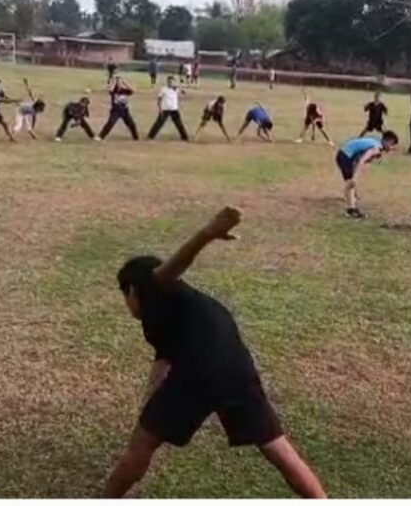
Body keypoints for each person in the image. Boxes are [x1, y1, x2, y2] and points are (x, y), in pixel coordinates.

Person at [102, 207, 327, 499]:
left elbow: (172, 267)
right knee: (278, 449)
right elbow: (163, 361)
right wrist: (149, 406)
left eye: (125, 296)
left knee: (141, 445)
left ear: (132, 290)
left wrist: (206, 234)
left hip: (197, 373)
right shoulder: (179, 309)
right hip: (237, 371)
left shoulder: (156, 288)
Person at [335, 131, 399, 219]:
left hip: (344, 154)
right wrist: (355, 177)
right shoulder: (376, 148)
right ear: (387, 141)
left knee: (350, 183)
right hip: (345, 156)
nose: (392, 148)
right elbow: (361, 161)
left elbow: (358, 157)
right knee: (351, 183)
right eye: (392, 145)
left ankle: (351, 198)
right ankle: (351, 210)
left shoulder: (376, 143)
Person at [147, 76, 190, 141]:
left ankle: (185, 137)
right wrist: (160, 109)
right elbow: (159, 99)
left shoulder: (176, 89)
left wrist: (179, 87)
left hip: (174, 109)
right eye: (169, 82)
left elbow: (184, 93)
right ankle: (150, 136)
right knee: (159, 123)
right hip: (165, 109)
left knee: (179, 124)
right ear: (167, 82)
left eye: (172, 82)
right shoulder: (163, 89)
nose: (170, 83)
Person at [99, 76, 140, 141]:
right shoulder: (114, 90)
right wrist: (114, 82)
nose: (119, 83)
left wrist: (125, 83)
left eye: (120, 82)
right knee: (110, 123)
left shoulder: (124, 90)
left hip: (125, 111)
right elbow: (110, 90)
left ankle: (136, 137)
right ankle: (101, 137)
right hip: (116, 111)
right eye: (118, 82)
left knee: (131, 124)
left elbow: (133, 90)